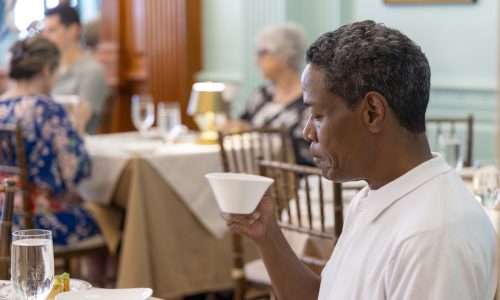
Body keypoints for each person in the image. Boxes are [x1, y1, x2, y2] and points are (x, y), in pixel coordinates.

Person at [222, 20, 497, 299]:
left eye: (317, 116)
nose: (307, 133)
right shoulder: (377, 193)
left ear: (372, 113)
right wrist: (268, 235)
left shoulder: (431, 239)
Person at [0, 35, 99, 246]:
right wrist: (79, 125)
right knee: (110, 218)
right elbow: (75, 170)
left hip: (4, 218)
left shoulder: (2, 107)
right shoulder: (46, 109)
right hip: (38, 223)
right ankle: (97, 279)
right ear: (47, 70)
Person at [233, 23, 313, 166]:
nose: (256, 61)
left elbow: (306, 150)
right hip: (252, 170)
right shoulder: (260, 96)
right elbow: (241, 123)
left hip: (293, 179)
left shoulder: (309, 101)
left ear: (285, 56)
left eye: (262, 53)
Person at [43, 4, 107, 134]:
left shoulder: (92, 71)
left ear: (73, 30)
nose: (46, 37)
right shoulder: (47, 69)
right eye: (45, 31)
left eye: (52, 31)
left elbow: (83, 120)